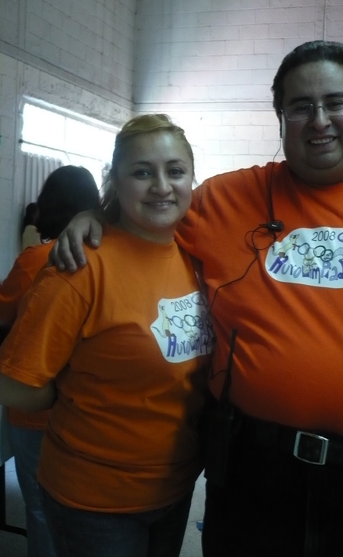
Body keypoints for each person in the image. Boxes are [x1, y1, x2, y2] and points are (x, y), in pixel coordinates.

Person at [49, 41, 343, 557]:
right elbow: (150, 214)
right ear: (281, 118)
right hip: (258, 474)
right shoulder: (224, 200)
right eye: (300, 107)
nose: (319, 120)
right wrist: (96, 217)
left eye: (335, 102)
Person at [0, 114, 214, 557]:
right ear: (114, 180)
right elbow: (15, 386)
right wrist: (80, 391)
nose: (161, 186)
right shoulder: (79, 269)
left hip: (174, 487)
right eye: (142, 172)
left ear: (192, 178)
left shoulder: (196, 255)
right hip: (95, 499)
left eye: (175, 171)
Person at [0, 165, 100, 557]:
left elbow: (2, 313)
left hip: (34, 411)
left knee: (41, 509)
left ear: (48, 204)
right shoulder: (107, 258)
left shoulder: (36, 259)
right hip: (85, 411)